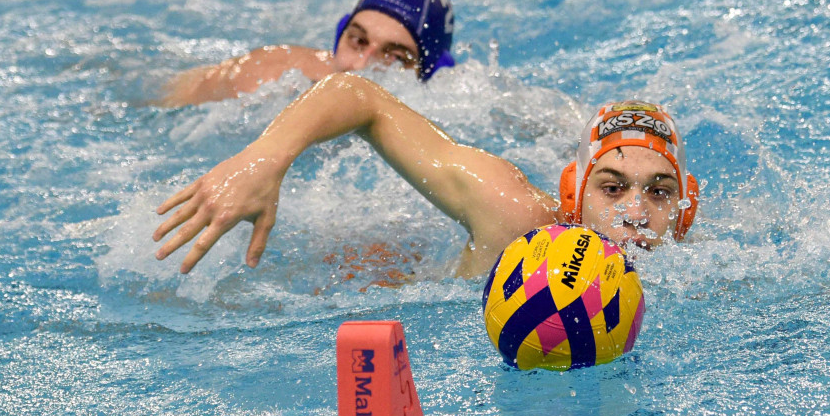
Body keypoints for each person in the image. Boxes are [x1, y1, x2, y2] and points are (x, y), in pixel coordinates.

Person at [153, 74, 699, 276]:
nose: (634, 210)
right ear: (573, 196)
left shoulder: (704, 270)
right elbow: (362, 96)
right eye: (612, 186)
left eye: (658, 192)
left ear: (684, 210)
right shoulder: (518, 220)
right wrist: (265, 158)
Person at [158, 0, 455, 107]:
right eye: (358, 41)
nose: (360, 67)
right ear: (340, 35)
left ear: (427, 72)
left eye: (395, 57)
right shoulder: (269, 75)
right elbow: (154, 104)